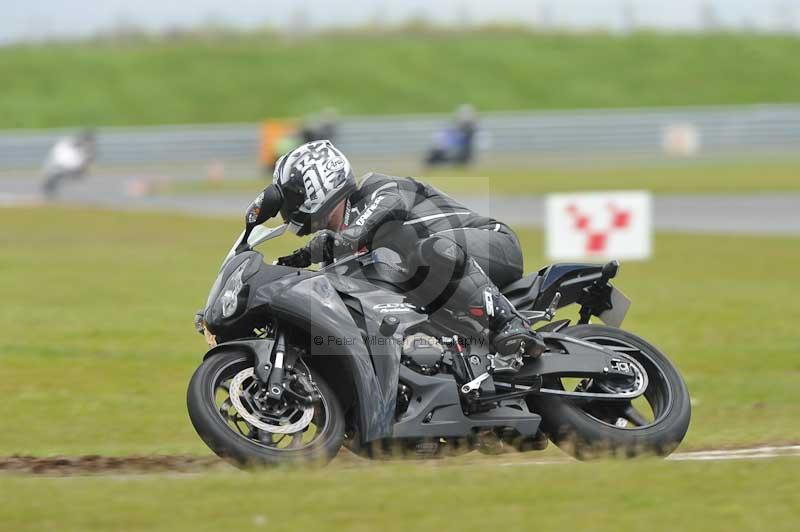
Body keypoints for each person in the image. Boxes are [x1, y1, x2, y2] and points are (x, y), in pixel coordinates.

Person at [247, 140, 545, 372]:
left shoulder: (376, 189)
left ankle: (511, 323)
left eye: (295, 195)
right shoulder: (338, 241)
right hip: (448, 295)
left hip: (493, 245)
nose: (290, 208)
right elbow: (321, 252)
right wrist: (284, 270)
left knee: (426, 250)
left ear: (319, 181)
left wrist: (335, 244)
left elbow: (378, 216)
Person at [41, 129, 96, 197]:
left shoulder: (84, 150)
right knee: (53, 176)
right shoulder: (66, 144)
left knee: (56, 175)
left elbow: (85, 161)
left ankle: (51, 188)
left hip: (68, 167)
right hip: (61, 166)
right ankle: (50, 188)